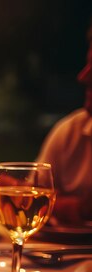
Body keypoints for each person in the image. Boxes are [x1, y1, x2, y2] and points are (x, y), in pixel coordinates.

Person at [36, 25, 92, 224]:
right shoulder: (70, 131)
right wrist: (78, 208)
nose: (83, 77)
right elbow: (33, 197)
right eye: (87, 63)